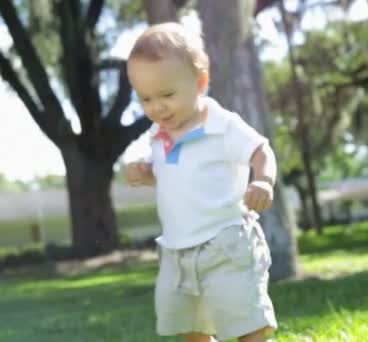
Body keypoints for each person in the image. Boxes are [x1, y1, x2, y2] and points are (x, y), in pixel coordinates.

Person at [124, 22, 278, 342]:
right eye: (146, 99)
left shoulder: (223, 126)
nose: (157, 107)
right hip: (177, 250)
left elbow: (260, 150)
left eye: (167, 94)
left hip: (225, 243)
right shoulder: (157, 135)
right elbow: (174, 178)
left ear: (200, 82)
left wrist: (263, 180)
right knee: (189, 325)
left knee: (245, 320)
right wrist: (146, 174)